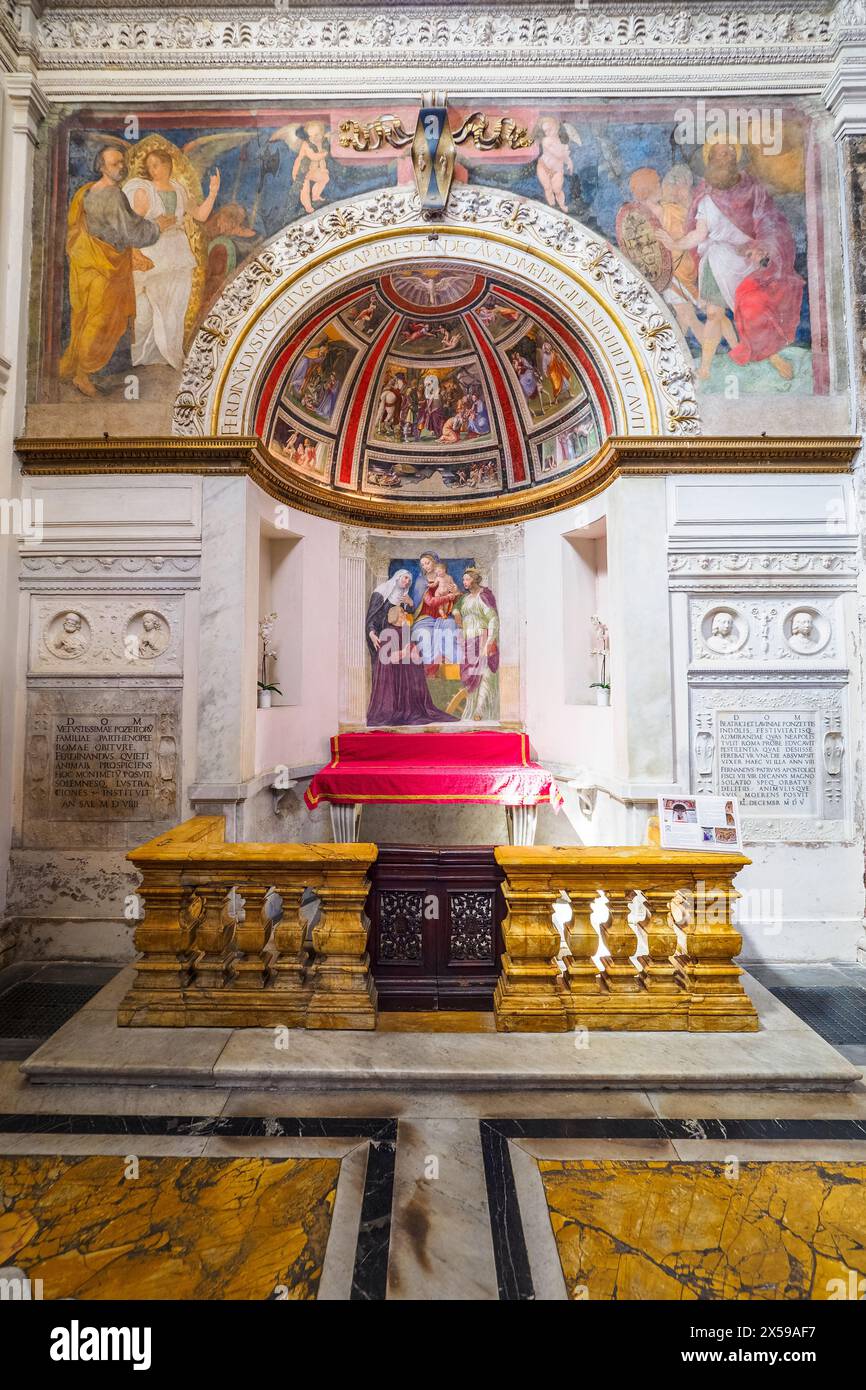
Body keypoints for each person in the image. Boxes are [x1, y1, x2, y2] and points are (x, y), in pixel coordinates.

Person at [661, 143, 804, 381]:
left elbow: (769, 221)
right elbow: (699, 234)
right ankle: (705, 369)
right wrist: (674, 244)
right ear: (709, 160)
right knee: (714, 313)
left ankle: (773, 357)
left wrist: (763, 247)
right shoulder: (706, 197)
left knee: (754, 309)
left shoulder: (753, 190)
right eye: (716, 154)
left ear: (736, 158)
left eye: (728, 153)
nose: (722, 157)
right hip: (716, 260)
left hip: (747, 260)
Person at [59, 146, 165, 398]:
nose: (121, 166)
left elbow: (116, 225)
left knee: (87, 317)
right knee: (102, 320)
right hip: (105, 265)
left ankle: (83, 371)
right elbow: (130, 231)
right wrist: (157, 227)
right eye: (115, 163)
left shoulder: (86, 192)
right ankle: (83, 374)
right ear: (102, 167)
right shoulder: (112, 195)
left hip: (88, 264)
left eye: (122, 162)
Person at [123, 148, 220, 370]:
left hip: (177, 252)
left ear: (168, 165)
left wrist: (213, 193)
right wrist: (155, 226)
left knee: (175, 306)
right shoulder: (144, 191)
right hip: (152, 251)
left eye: (156, 164)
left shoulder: (179, 189)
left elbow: (200, 216)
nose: (152, 170)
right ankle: (140, 356)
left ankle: (169, 354)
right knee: (145, 311)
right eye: (149, 166)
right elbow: (133, 226)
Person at [364, 571, 454, 726]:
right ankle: (393, 707)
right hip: (385, 636)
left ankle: (408, 704)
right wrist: (372, 633)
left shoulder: (406, 599)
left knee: (411, 665)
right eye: (405, 577)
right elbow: (373, 617)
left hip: (400, 635)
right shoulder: (381, 593)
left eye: (410, 580)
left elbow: (407, 618)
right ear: (397, 577)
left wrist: (410, 605)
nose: (407, 582)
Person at [456, 567, 499, 722]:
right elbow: (461, 618)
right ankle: (471, 710)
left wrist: (490, 641)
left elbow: (493, 618)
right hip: (469, 641)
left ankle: (481, 711)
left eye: (467, 579)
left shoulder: (484, 596)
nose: (464, 582)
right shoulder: (466, 599)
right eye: (463, 580)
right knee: (471, 676)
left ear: (474, 579)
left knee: (485, 676)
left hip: (483, 638)